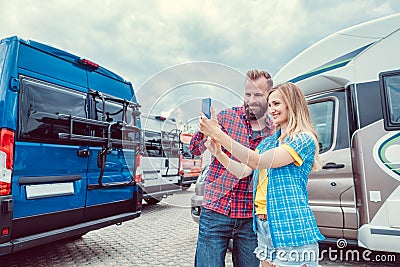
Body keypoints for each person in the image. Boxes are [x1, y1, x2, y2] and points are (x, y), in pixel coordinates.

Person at [199, 82, 324, 267]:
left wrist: (219, 134)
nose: (271, 109)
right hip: (264, 226)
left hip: (290, 224)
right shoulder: (268, 143)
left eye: (277, 104)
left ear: (293, 104)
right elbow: (243, 171)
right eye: (270, 104)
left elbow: (257, 161)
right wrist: (218, 152)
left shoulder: (303, 139)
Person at [190, 70, 275, 267]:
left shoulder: (273, 131)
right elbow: (194, 150)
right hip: (216, 212)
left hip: (250, 218)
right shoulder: (226, 117)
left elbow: (251, 169)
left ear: (269, 96)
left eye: (258, 95)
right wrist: (205, 131)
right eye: (247, 94)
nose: (250, 100)